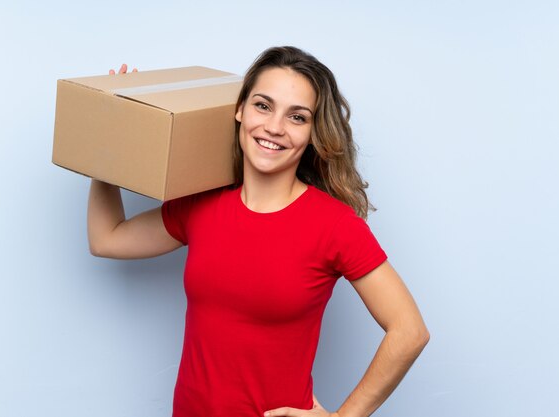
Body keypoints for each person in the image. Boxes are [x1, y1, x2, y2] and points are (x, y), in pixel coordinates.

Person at [89, 46, 429, 417]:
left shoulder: (335, 225)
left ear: (313, 133)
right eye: (263, 106)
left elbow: (409, 330)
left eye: (297, 117)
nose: (274, 127)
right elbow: (107, 238)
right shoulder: (201, 205)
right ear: (240, 110)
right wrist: (111, 135)